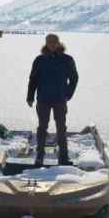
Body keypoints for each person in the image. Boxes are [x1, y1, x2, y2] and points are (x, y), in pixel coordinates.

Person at [26, 33, 79, 167]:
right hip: (43, 99)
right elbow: (33, 79)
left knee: (61, 128)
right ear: (46, 43)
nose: (51, 44)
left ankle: (63, 157)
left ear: (58, 43)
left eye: (54, 42)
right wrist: (30, 96)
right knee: (42, 127)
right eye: (49, 42)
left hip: (60, 100)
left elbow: (74, 78)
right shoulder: (39, 60)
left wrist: (68, 94)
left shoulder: (67, 59)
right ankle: (39, 157)